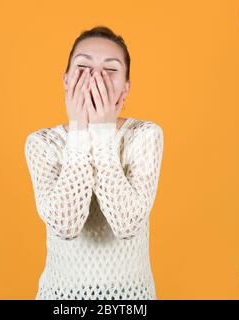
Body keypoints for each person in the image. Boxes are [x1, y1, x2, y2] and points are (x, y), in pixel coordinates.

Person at [24, 26, 164, 300]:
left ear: (125, 89)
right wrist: (79, 131)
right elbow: (66, 226)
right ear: (66, 81)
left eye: (110, 71)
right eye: (84, 66)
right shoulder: (42, 143)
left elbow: (127, 225)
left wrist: (102, 134)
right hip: (61, 300)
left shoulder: (145, 136)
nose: (95, 78)